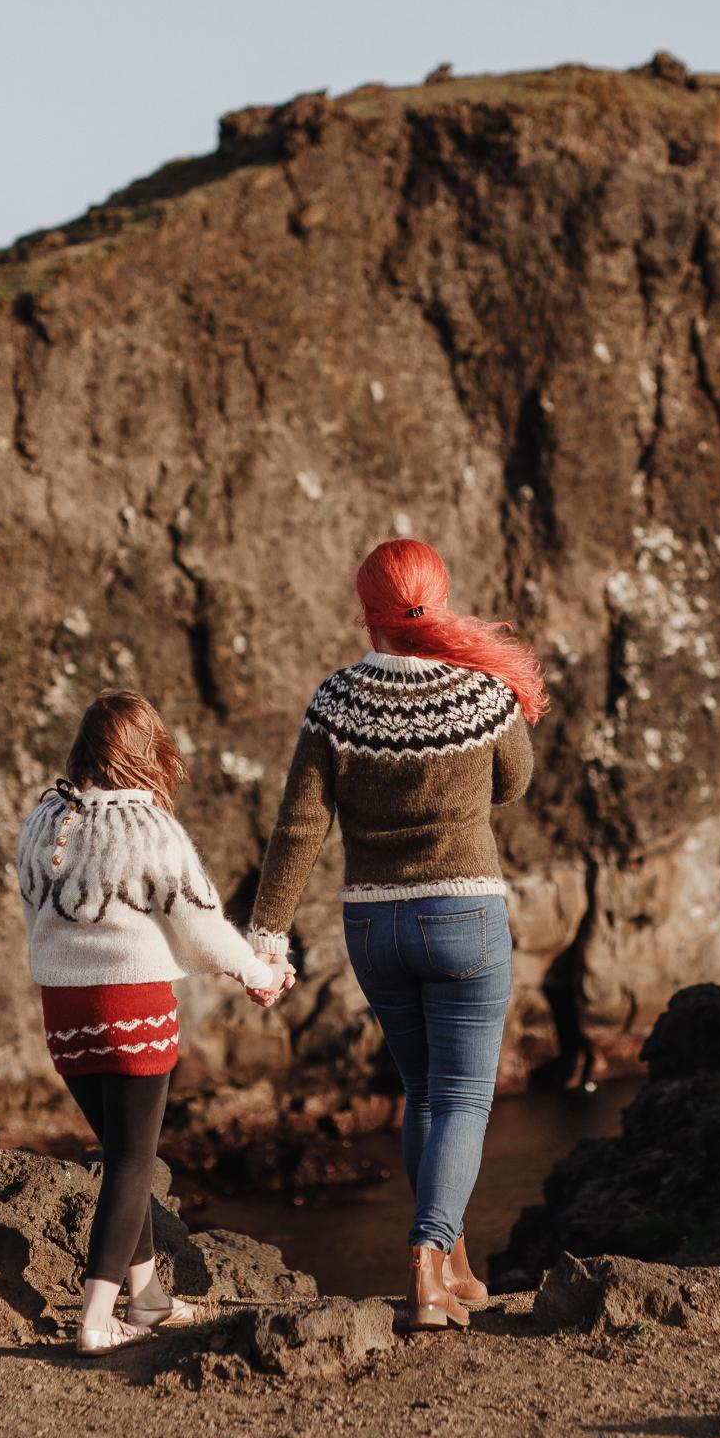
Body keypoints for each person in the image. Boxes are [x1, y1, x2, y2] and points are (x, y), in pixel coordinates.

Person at [246, 538, 544, 1328]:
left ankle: (452, 1263)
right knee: (465, 1098)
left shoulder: (337, 700)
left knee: (422, 1094)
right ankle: (426, 1253)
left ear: (367, 612)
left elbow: (300, 824)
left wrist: (267, 932)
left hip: (374, 923)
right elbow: (515, 780)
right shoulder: (481, 694)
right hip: (465, 917)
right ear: (437, 601)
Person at [17, 691, 295, 1355]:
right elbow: (198, 924)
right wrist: (258, 975)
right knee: (133, 1161)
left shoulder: (44, 819)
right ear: (150, 752)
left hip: (64, 1010)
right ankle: (95, 1316)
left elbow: (39, 921)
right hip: (132, 1007)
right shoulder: (149, 828)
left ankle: (145, 1298)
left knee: (120, 1152)